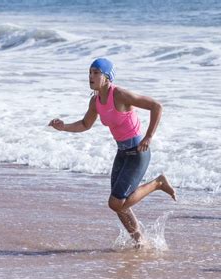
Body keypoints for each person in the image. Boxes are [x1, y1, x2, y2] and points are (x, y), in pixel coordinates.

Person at [49, 58, 176, 246]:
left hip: (137, 152)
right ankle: (139, 240)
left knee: (115, 202)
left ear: (107, 77)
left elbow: (156, 106)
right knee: (119, 204)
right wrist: (63, 127)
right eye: (90, 72)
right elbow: (85, 124)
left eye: (96, 72)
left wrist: (148, 136)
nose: (91, 76)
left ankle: (158, 183)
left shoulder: (120, 95)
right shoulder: (96, 101)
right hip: (122, 153)